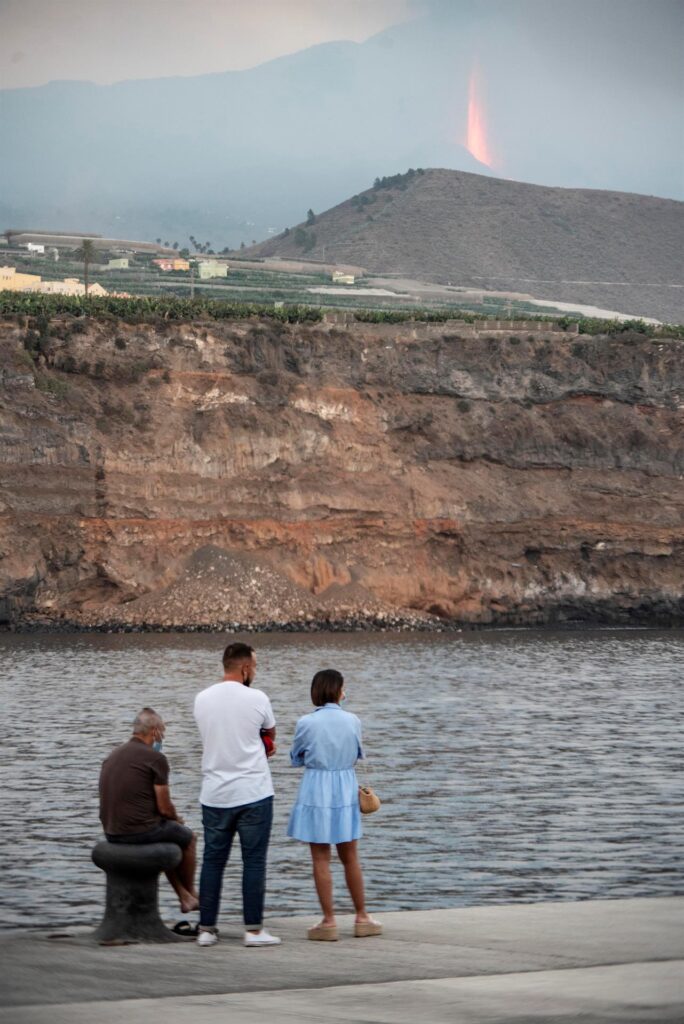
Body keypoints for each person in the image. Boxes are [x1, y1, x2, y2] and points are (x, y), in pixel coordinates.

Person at [193, 642, 281, 948]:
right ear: (245, 668)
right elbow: (270, 735)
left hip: (215, 793)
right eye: (254, 667)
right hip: (254, 791)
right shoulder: (257, 697)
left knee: (213, 861)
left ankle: (206, 929)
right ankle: (254, 931)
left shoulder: (201, 699)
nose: (254, 672)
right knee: (254, 862)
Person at [287, 669, 382, 941]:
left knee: (320, 857)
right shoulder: (353, 720)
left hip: (316, 786)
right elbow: (359, 754)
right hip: (344, 785)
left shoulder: (306, 722)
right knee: (350, 855)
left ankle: (328, 921)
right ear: (339, 691)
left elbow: (296, 758)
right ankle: (362, 917)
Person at [99, 707, 198, 913]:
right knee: (188, 838)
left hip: (112, 831)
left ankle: (183, 896)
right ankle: (191, 893)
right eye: (163, 732)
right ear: (155, 732)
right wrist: (177, 819)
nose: (162, 737)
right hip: (138, 832)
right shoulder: (156, 759)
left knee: (167, 835)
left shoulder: (113, 755)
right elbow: (164, 807)